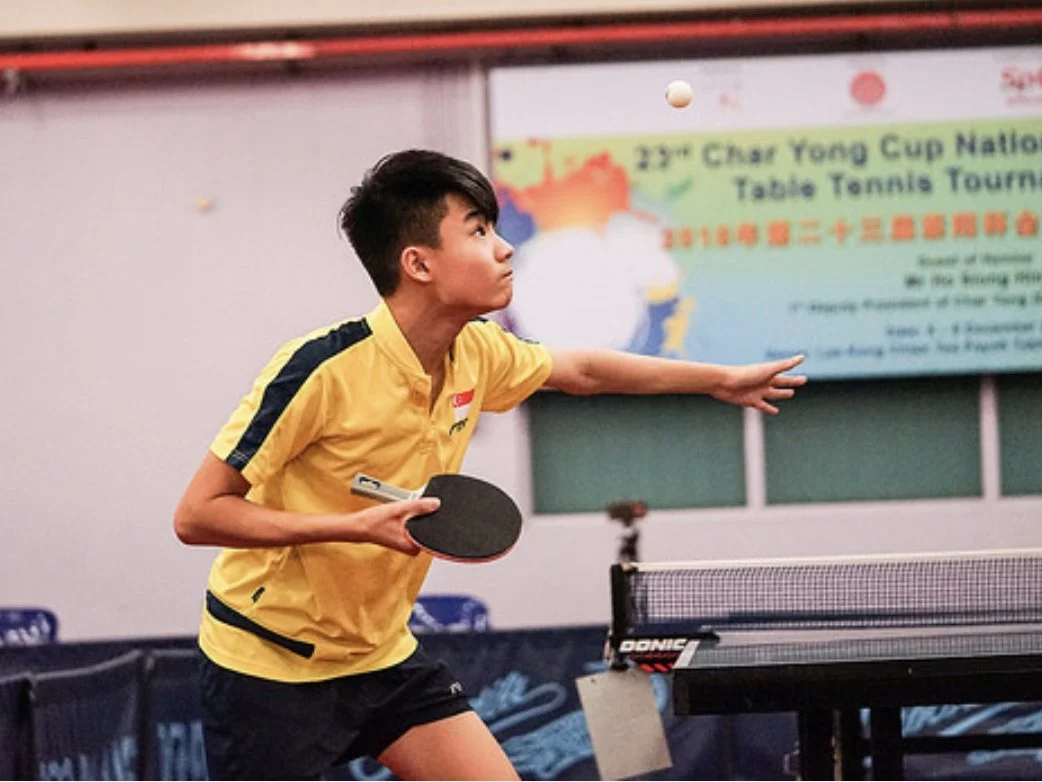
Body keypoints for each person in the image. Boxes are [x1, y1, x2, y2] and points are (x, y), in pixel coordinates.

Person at [174, 149, 806, 781]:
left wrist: (719, 378)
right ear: (417, 263)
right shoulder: (320, 370)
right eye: (478, 231)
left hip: (381, 654)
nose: (504, 249)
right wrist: (354, 527)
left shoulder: (477, 351)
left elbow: (582, 370)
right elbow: (198, 515)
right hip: (269, 663)